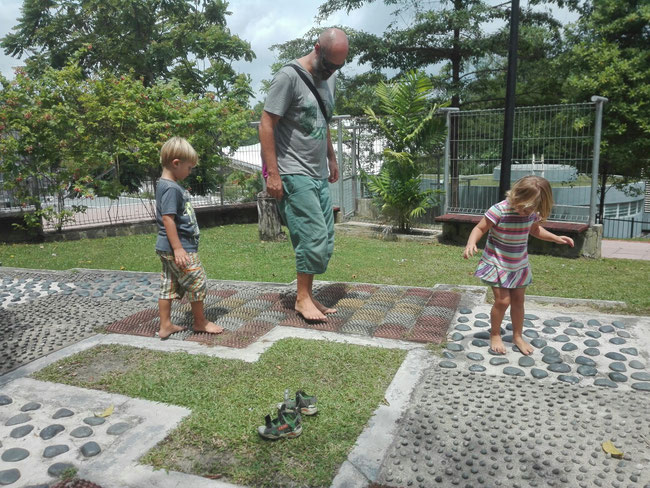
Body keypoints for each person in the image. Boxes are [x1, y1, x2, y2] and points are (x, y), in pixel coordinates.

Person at [259, 28, 349, 321]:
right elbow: (266, 124)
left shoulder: (329, 79)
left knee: (324, 239)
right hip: (291, 171)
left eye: (339, 66)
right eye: (329, 64)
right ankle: (301, 299)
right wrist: (273, 174)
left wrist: (331, 158)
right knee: (311, 236)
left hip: (317, 172)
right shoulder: (288, 77)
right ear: (317, 49)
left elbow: (321, 123)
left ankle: (308, 295)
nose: (333, 70)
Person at [463, 175, 574, 355]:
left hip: (518, 265)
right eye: (524, 206)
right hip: (497, 262)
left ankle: (517, 336)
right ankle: (496, 334)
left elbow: (536, 229)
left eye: (532, 208)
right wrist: (471, 243)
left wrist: (556, 238)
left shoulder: (531, 214)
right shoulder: (499, 210)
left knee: (518, 301)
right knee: (503, 300)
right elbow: (480, 228)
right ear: (516, 195)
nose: (526, 211)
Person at [155, 137, 223, 339]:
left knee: (168, 284)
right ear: (176, 163)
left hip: (166, 247)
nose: (190, 172)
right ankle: (200, 322)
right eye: (189, 167)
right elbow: (168, 219)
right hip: (180, 248)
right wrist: (178, 248)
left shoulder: (165, 185)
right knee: (197, 281)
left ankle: (165, 325)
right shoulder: (171, 188)